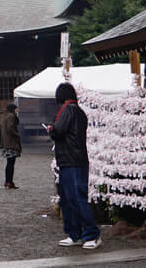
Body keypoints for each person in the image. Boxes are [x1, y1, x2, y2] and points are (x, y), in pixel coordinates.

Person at [46, 83, 101, 250]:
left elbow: (59, 130)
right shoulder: (78, 111)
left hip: (73, 161)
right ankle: (75, 234)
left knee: (76, 198)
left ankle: (91, 234)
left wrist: (51, 130)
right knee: (69, 199)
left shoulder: (69, 110)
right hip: (72, 160)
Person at [0, 103, 22, 189]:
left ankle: (8, 181)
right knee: (11, 164)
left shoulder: (5, 116)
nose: (17, 110)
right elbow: (10, 128)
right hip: (12, 142)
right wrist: (17, 135)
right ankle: (9, 182)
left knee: (9, 163)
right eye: (16, 109)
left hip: (7, 142)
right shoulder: (11, 116)